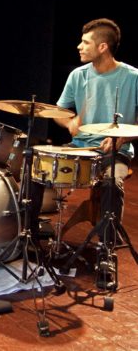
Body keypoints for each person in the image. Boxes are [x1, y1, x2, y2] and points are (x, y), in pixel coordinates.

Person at [53, 18, 138, 242]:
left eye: (85, 42)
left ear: (102, 47)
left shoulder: (133, 77)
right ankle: (29, 235)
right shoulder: (77, 75)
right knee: (34, 166)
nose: (79, 46)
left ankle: (107, 247)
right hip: (80, 147)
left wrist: (122, 138)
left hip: (116, 151)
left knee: (112, 182)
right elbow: (58, 111)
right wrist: (69, 122)